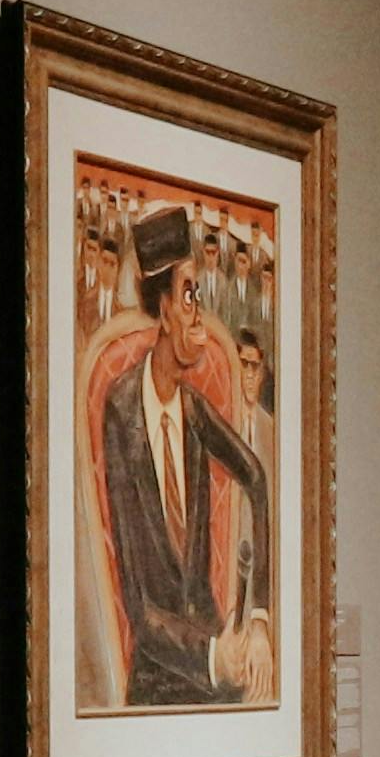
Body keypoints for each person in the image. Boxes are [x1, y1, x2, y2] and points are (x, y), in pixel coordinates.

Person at [80, 200, 276, 706]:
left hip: (219, 662)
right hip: (162, 678)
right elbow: (140, 611)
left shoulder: (192, 407)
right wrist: (213, 655)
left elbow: (256, 480)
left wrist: (257, 620)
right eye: (189, 297)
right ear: (164, 310)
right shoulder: (121, 413)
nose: (200, 319)